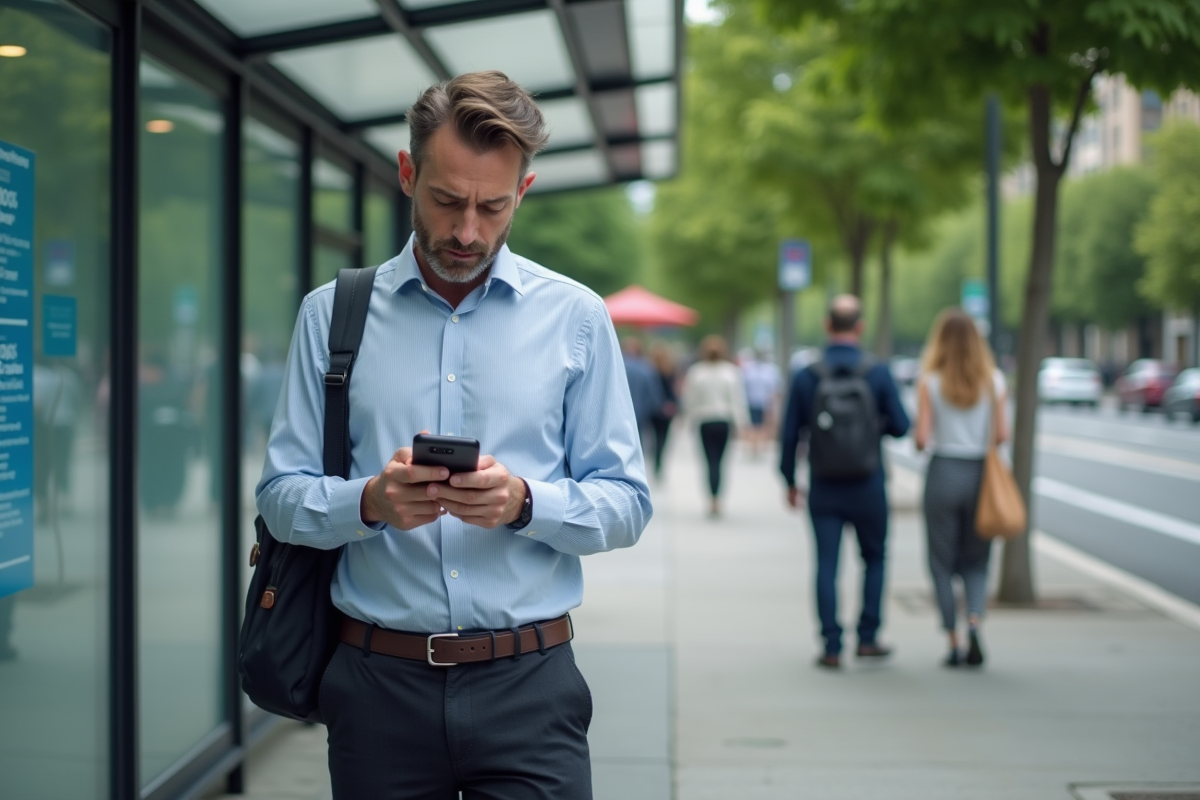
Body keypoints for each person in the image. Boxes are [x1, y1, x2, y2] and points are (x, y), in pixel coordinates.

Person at [256, 71, 652, 800]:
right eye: (446, 201)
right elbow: (280, 497)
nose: (467, 231)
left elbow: (627, 503)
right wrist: (369, 502)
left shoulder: (578, 318)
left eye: (492, 207)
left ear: (522, 193)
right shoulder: (331, 314)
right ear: (408, 174)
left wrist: (524, 502)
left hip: (531, 686)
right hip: (377, 689)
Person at [778, 295, 910, 669]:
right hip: (869, 483)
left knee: (826, 564)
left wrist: (789, 479)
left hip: (824, 484)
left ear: (827, 325)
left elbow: (790, 434)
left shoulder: (808, 374)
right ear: (860, 326)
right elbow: (901, 427)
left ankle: (831, 645)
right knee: (875, 558)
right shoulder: (877, 372)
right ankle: (867, 639)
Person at [914, 309, 1007, 668]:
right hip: (981, 474)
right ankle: (975, 622)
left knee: (940, 562)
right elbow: (1001, 436)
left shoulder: (930, 380)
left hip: (943, 472)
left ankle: (951, 640)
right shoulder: (994, 380)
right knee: (977, 561)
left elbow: (922, 438)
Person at [682, 335, 748, 517]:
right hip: (723, 420)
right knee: (720, 462)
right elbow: (737, 399)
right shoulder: (731, 372)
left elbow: (690, 400)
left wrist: (688, 420)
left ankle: (712, 498)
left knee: (709, 461)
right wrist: (742, 423)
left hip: (705, 421)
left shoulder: (697, 372)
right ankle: (717, 498)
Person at [622, 336, 665, 454]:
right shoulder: (647, 368)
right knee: (638, 439)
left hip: (619, 411)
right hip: (640, 412)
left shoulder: (617, 366)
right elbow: (653, 392)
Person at [740, 347, 782, 458]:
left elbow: (775, 388)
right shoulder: (748, 369)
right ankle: (754, 447)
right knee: (753, 424)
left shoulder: (771, 370)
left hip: (765, 402)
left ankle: (759, 446)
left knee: (764, 425)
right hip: (751, 401)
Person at [648, 343, 679, 480]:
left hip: (655, 409)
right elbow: (673, 391)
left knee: (654, 437)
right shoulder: (670, 371)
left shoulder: (651, 371)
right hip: (667, 409)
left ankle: (656, 461)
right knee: (663, 437)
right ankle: (659, 463)